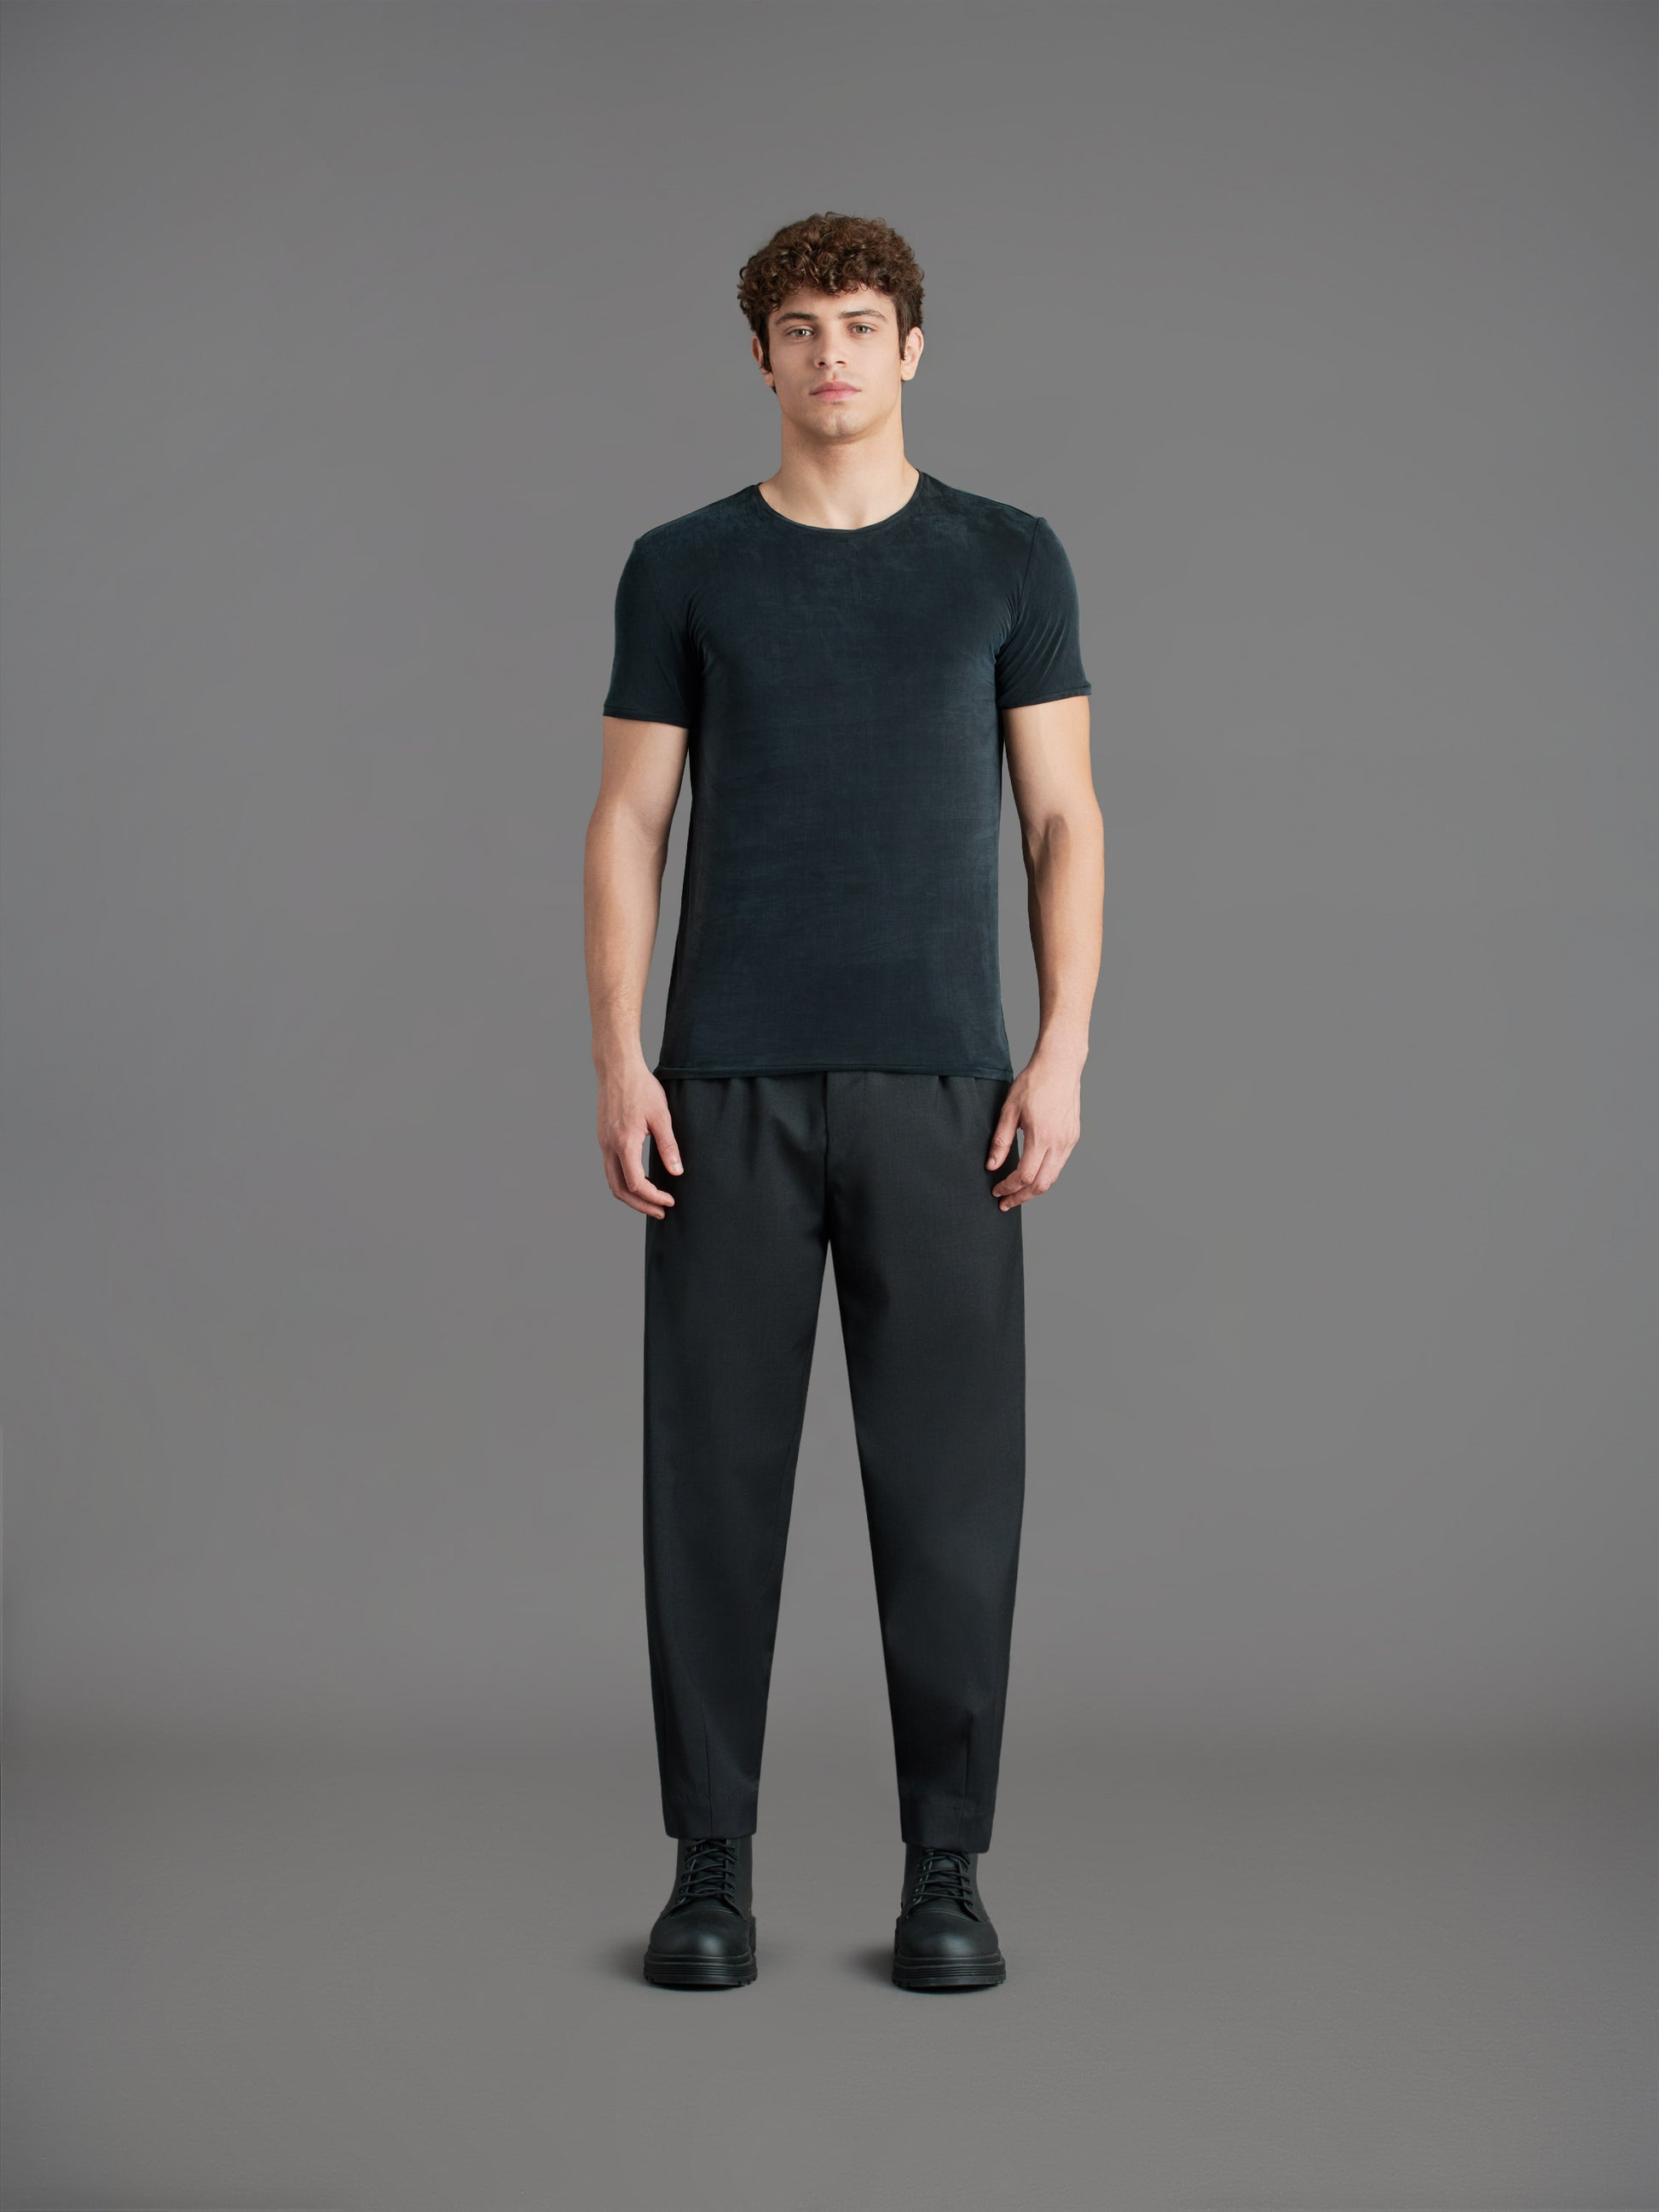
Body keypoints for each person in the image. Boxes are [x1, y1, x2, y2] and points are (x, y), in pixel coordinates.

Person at [584, 211, 1102, 1992]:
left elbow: (1063, 817)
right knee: (709, 1485)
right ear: (759, 357)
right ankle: (707, 1865)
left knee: (948, 1492)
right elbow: (630, 820)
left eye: (860, 323)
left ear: (910, 347)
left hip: (947, 1082)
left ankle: (944, 1868)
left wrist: (1061, 1050)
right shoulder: (682, 567)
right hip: (722, 1083)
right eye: (798, 327)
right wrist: (617, 1054)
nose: (830, 354)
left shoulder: (1004, 558)